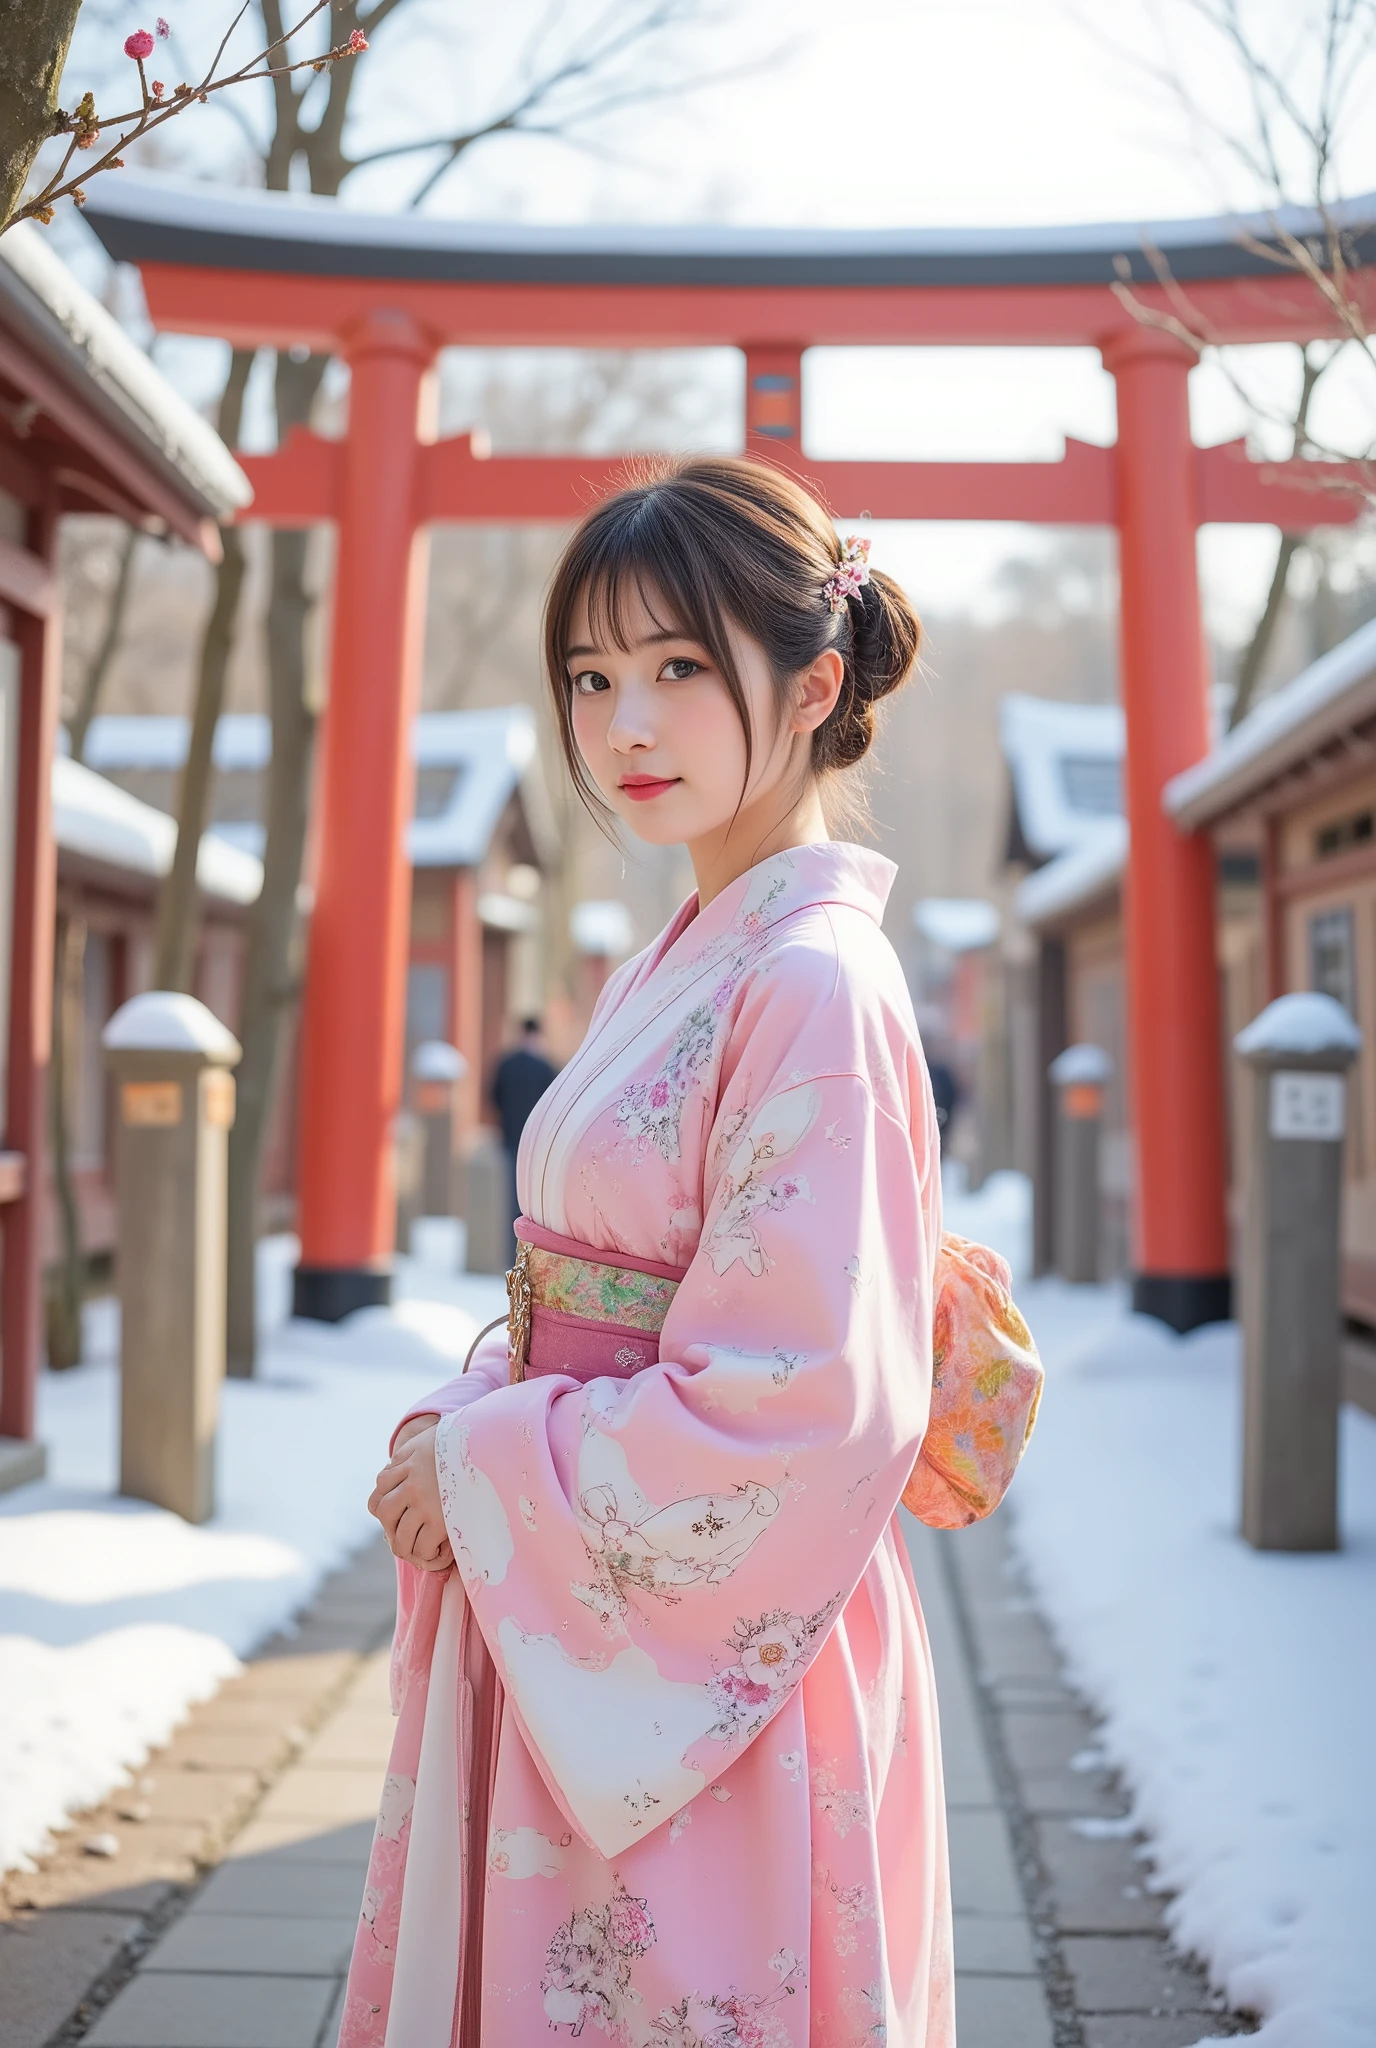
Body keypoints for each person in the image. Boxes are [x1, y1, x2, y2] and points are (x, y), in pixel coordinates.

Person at [351, 457, 1042, 2047]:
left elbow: (802, 1395)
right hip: (581, 1594)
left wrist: (494, 1466)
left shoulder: (811, 983)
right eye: (593, 677)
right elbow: (584, 1291)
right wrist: (474, 1429)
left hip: (716, 1645)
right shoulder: (696, 951)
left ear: (812, 686)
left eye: (676, 668)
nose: (624, 727)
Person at [490, 1017, 559, 1257]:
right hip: (537, 1144)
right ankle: (529, 1252)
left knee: (511, 1196)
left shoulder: (505, 1064)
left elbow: (494, 1097)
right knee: (533, 1201)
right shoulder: (546, 1067)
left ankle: (511, 1252)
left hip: (511, 1138)